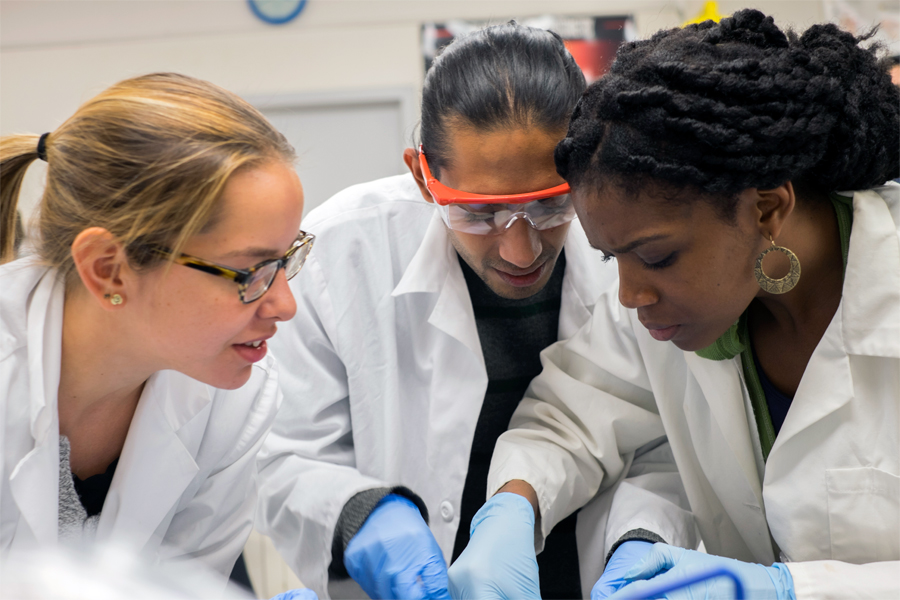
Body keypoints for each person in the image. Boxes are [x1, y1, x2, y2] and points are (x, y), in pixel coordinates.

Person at [450, 9, 899, 600]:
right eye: (612, 259)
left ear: (766, 209)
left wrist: (793, 589)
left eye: (657, 257)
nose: (630, 296)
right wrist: (511, 509)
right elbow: (569, 418)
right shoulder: (685, 308)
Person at [256, 22, 687, 600]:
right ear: (423, 176)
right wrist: (364, 514)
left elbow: (660, 441)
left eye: (550, 204)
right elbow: (278, 450)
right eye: (480, 213)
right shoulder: (344, 253)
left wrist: (639, 539)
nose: (520, 250)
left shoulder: (634, 252)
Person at [0, 73, 315, 593]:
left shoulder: (233, 400)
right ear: (109, 270)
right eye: (250, 272)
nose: (284, 304)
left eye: (288, 259)